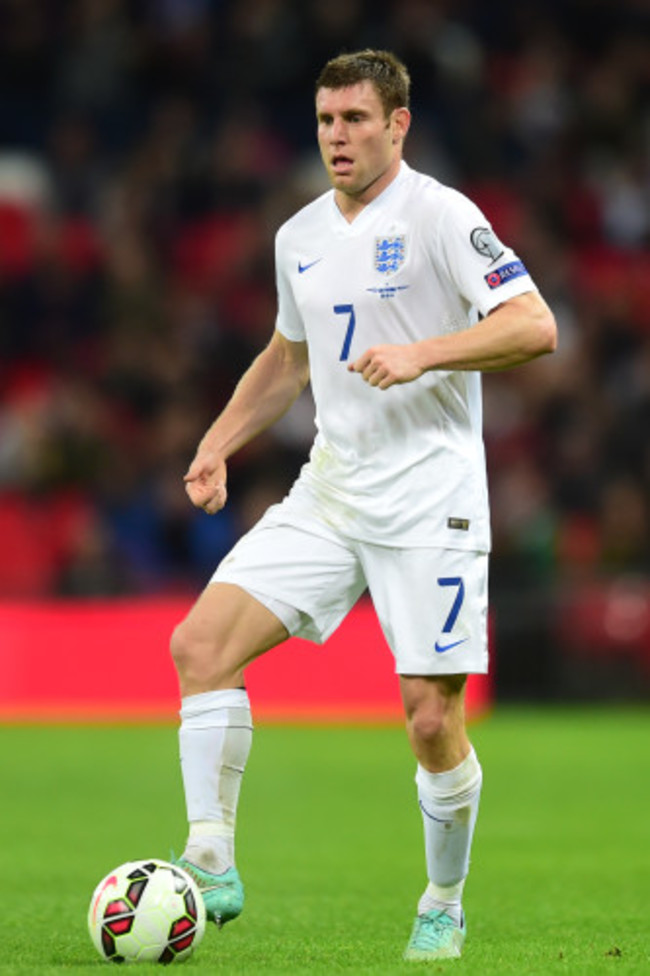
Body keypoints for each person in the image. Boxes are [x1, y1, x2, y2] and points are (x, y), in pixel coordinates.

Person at [170, 49, 557, 962]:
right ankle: (211, 855)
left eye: (355, 120)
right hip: (332, 488)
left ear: (398, 125)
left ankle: (443, 898)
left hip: (432, 501)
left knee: (430, 718)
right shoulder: (299, 235)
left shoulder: (441, 217)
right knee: (199, 646)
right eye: (325, 121)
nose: (337, 137)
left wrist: (427, 352)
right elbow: (288, 358)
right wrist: (218, 442)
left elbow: (535, 325)